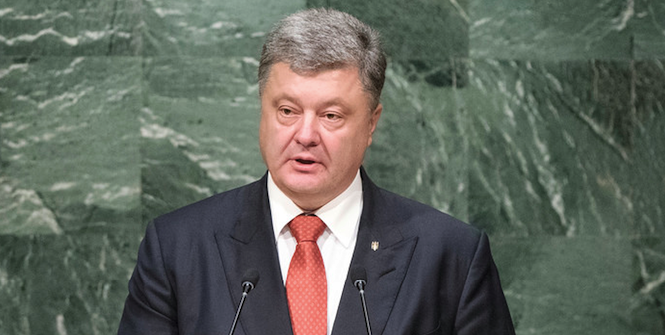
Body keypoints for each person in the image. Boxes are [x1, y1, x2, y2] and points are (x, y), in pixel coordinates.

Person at [118, 8, 515, 335]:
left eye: (330, 115)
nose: (305, 135)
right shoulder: (176, 247)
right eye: (287, 111)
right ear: (263, 110)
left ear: (372, 123)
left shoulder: (452, 256)